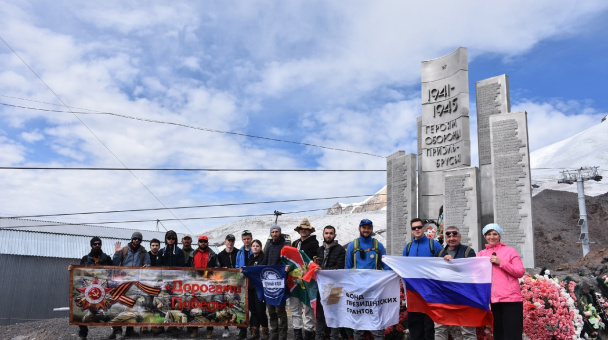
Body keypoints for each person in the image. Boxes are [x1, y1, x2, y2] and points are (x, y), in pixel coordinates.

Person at [477, 223, 525, 340]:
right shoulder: (481, 254)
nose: (492, 237)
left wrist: (501, 262)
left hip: (511, 299)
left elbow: (520, 272)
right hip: (493, 301)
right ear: (485, 236)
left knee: (513, 334)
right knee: (499, 334)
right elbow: (477, 277)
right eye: (489, 234)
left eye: (495, 234)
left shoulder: (510, 251)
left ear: (499, 236)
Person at [345, 219, 389, 340]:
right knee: (358, 322)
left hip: (374, 290)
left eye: (368, 228)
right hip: (357, 290)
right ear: (359, 229)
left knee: (376, 321)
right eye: (364, 227)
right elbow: (348, 268)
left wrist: (393, 274)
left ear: (372, 229)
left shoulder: (377, 245)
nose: (366, 230)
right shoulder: (352, 246)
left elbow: (385, 264)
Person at [433, 226, 477, 340]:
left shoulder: (469, 252)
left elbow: (472, 271)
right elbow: (434, 274)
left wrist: (454, 263)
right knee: (440, 329)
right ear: (445, 238)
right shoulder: (438, 254)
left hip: (464, 297)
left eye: (454, 235)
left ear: (460, 236)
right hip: (443, 297)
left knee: (468, 330)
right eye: (448, 235)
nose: (451, 238)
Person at [403, 218, 443, 340]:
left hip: (430, 291)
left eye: (419, 227)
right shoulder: (408, 247)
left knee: (430, 324)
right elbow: (403, 266)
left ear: (424, 229)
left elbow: (442, 264)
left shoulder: (434, 245)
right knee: (415, 324)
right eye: (414, 228)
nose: (417, 230)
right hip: (413, 291)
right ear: (411, 231)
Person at [68, 237, 113, 340]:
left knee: (112, 307)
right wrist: (71, 270)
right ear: (91, 245)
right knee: (82, 308)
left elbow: (113, 272)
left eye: (99, 244)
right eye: (95, 244)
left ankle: (116, 331)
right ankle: (83, 334)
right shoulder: (85, 259)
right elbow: (79, 274)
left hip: (104, 290)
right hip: (89, 291)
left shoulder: (107, 258)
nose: (97, 245)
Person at [111, 232, 151, 339]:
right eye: (135, 238)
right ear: (132, 239)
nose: (137, 240)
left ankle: (130, 330)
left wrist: (147, 266)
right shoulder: (124, 250)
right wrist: (116, 253)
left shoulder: (143, 252)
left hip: (135, 283)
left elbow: (148, 264)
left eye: (139, 239)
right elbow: (114, 264)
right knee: (118, 305)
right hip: (123, 282)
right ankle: (117, 330)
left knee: (133, 305)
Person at [313, 225, 345, 340]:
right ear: (323, 235)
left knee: (334, 313)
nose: (328, 235)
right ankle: (319, 336)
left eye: (331, 233)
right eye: (326, 233)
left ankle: (334, 337)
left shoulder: (340, 250)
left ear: (335, 235)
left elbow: (339, 268)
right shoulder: (319, 250)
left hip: (335, 286)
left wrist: (322, 270)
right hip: (321, 287)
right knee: (320, 313)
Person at [290, 218, 319, 340]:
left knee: (308, 307)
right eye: (302, 229)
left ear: (309, 231)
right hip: (295, 279)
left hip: (308, 279)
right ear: (299, 230)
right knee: (295, 307)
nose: (303, 230)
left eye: (306, 229)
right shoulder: (295, 243)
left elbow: (312, 260)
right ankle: (297, 332)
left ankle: (308, 331)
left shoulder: (314, 243)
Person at [187, 235, 220, 339]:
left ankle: (209, 330)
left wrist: (211, 273)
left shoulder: (213, 254)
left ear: (207, 243)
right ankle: (195, 329)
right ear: (198, 243)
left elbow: (218, 267)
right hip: (195, 284)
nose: (203, 243)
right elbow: (187, 268)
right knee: (195, 305)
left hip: (208, 284)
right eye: (201, 241)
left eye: (204, 241)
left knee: (209, 306)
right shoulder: (193, 254)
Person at [260, 226, 289, 340]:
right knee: (271, 311)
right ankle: (274, 335)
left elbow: (289, 261)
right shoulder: (269, 246)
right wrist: (252, 269)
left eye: (276, 231)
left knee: (280, 311)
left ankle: (282, 336)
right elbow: (265, 261)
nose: (274, 233)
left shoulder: (285, 246)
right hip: (269, 285)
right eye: (272, 232)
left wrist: (288, 267)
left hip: (279, 284)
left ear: (280, 233)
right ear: (270, 234)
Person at [243, 239, 269, 340]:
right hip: (250, 287)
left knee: (260, 310)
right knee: (253, 310)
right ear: (251, 248)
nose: (255, 247)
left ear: (260, 247)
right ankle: (255, 332)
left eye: (257, 246)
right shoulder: (249, 259)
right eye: (253, 246)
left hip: (260, 288)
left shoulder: (263, 258)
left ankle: (265, 331)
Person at [218, 234, 239, 338]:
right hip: (225, 284)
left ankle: (238, 326)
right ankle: (226, 328)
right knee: (225, 305)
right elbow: (217, 268)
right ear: (225, 242)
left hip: (237, 283)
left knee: (237, 304)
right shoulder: (220, 254)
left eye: (232, 241)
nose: (230, 242)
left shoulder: (238, 252)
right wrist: (223, 268)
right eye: (228, 240)